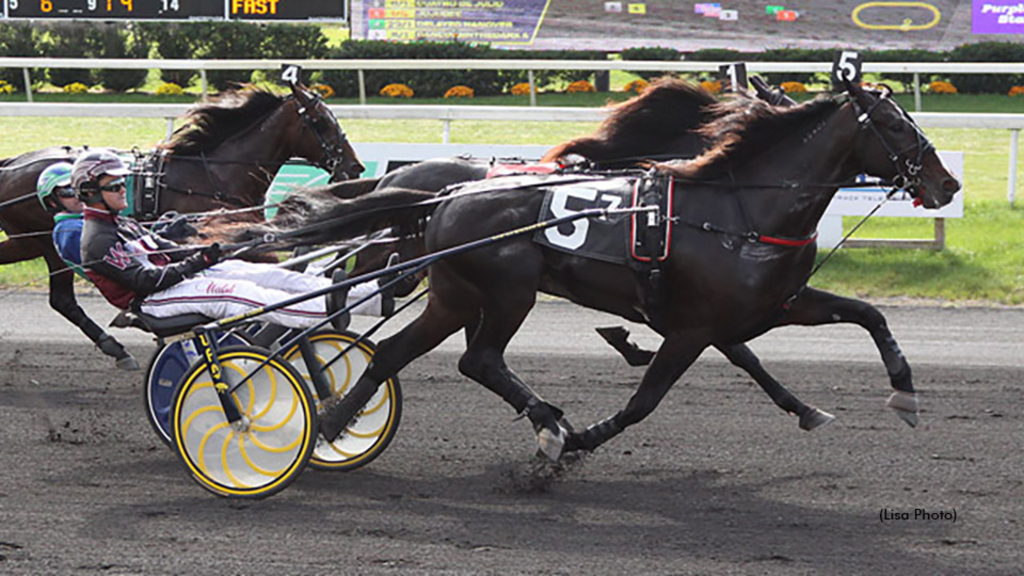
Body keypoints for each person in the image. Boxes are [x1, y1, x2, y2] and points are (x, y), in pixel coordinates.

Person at [73, 149, 390, 331]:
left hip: (183, 279)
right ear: (90, 193)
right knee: (241, 294)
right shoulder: (97, 241)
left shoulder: (121, 223)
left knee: (271, 274)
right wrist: (199, 260)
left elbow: (159, 251)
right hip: (154, 301)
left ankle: (372, 295)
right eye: (114, 186)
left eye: (122, 183)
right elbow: (144, 281)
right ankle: (326, 310)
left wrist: (178, 237)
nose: (122, 190)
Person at [37, 160, 141, 370]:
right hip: (136, 288)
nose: (76, 196)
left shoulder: (92, 221)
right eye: (67, 192)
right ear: (53, 202)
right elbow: (120, 264)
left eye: (77, 189)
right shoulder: (70, 231)